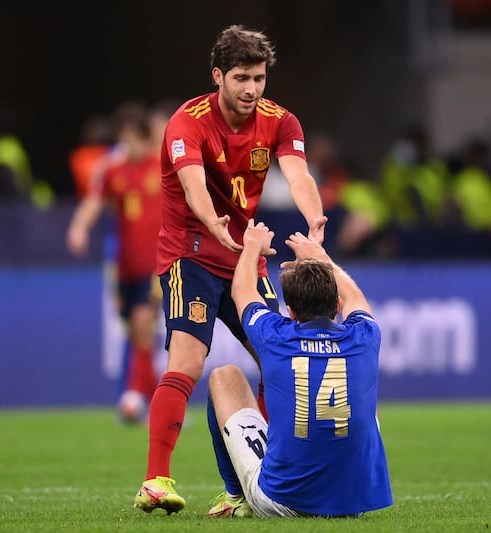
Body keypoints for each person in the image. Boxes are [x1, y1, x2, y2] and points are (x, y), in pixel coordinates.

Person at [132, 25, 326, 515]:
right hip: (190, 254)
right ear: (217, 75)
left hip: (243, 259)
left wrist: (314, 216)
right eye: (241, 77)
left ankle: (248, 484)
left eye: (259, 78)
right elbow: (193, 187)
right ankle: (156, 480)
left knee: (276, 362)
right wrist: (212, 225)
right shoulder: (187, 122)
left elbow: (298, 174)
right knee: (189, 361)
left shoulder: (280, 121)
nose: (252, 89)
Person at [205, 219, 392, 518]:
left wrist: (252, 245)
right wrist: (320, 257)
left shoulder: (275, 335)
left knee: (224, 376)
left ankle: (236, 495)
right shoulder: (365, 337)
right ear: (338, 305)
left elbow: (241, 290)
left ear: (289, 312)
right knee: (362, 389)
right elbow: (356, 297)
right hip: (352, 504)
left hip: (280, 502)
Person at [67, 103, 162, 422]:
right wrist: (80, 227)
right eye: (124, 137)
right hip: (126, 266)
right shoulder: (113, 171)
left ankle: (134, 394)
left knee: (142, 321)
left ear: (146, 138)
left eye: (135, 137)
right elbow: (95, 202)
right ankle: (159, 400)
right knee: (136, 333)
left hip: (157, 265)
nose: (130, 145)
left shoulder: (162, 167)